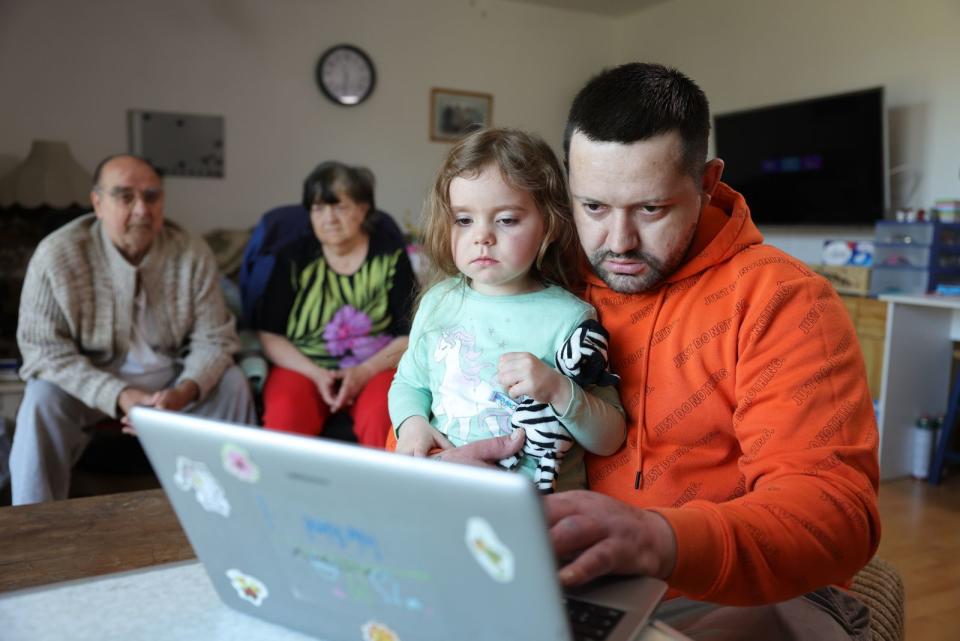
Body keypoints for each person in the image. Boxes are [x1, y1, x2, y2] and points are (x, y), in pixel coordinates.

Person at [427, 65, 881, 640]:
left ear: (708, 183)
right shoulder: (543, 277)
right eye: (593, 207)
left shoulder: (783, 301)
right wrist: (434, 464)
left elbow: (833, 514)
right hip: (562, 576)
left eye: (651, 209)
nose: (617, 243)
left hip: (743, 592)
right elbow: (425, 396)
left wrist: (659, 539)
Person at [388, 128, 625, 492]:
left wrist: (558, 389)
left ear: (549, 224)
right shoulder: (439, 302)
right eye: (464, 220)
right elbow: (408, 383)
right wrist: (412, 424)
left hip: (540, 511)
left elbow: (610, 437)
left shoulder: (570, 318)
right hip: (447, 493)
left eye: (507, 219)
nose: (482, 236)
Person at [10, 154, 256, 505]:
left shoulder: (190, 252)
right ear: (97, 202)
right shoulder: (58, 255)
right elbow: (42, 350)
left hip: (171, 378)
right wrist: (120, 395)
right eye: (125, 197)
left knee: (233, 384)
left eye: (152, 196)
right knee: (41, 398)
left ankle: (236, 507)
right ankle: (34, 525)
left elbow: (215, 338)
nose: (142, 209)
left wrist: (184, 391)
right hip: (92, 381)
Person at [256, 162, 415, 447]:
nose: (328, 218)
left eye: (339, 207)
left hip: (376, 366)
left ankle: (379, 491)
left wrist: (363, 372)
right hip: (304, 366)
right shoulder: (291, 257)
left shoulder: (390, 256)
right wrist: (316, 374)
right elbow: (269, 334)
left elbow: (408, 335)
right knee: (285, 418)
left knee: (384, 419)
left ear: (363, 209)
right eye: (318, 208)